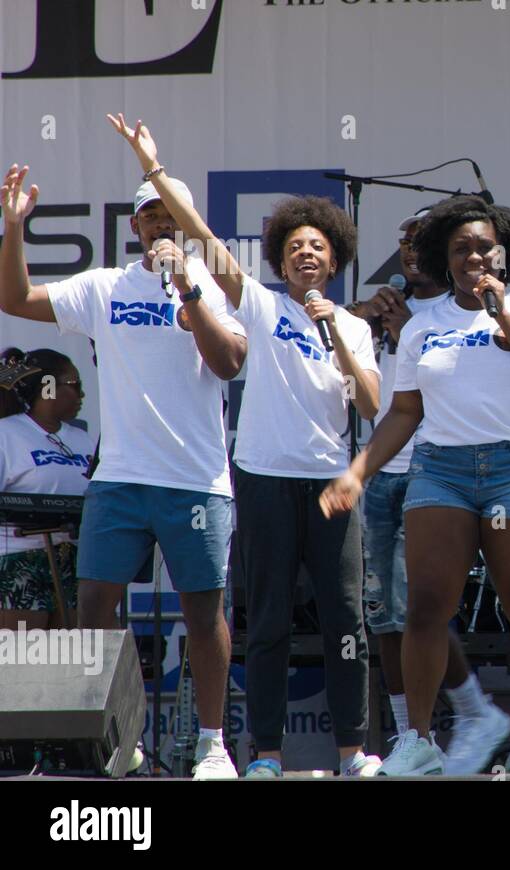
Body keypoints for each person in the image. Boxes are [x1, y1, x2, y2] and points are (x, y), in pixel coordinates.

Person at [108, 114, 385, 778]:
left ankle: (353, 751)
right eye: (295, 247)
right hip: (261, 479)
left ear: (335, 258)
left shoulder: (351, 324)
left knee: (346, 620)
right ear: (280, 259)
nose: (306, 254)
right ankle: (264, 754)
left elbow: (371, 405)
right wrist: (153, 166)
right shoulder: (258, 304)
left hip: (330, 486)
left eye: (317, 247)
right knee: (266, 622)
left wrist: (337, 333)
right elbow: (200, 235)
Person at [321, 195, 510, 776]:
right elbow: (403, 413)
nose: (474, 256)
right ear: (446, 260)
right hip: (441, 468)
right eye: (461, 248)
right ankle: (418, 742)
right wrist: (358, 471)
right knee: (424, 606)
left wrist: (503, 316)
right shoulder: (424, 327)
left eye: (484, 247)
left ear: (504, 252)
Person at [0, 161, 248, 780]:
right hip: (119, 477)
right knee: (92, 607)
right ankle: (112, 741)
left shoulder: (213, 284)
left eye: (170, 213)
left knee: (202, 611)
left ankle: (212, 744)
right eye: (149, 213)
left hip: (194, 479)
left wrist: (188, 288)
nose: (159, 223)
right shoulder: (103, 286)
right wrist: (12, 229)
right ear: (135, 223)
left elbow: (229, 363)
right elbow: (14, 299)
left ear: (187, 225)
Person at [352, 209, 510, 775]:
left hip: (434, 470)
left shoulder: (463, 309)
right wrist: (370, 321)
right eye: (403, 240)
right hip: (383, 471)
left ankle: (474, 712)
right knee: (387, 616)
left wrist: (400, 330)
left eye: (421, 241)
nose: (411, 250)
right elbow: (370, 395)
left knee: (420, 606)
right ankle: (411, 738)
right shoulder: (384, 305)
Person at [0, 349, 92, 630]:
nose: (82, 395)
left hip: (75, 559)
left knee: (71, 659)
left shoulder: (82, 438)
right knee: (23, 660)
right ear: (48, 387)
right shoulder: (6, 433)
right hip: (20, 557)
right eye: (74, 385)